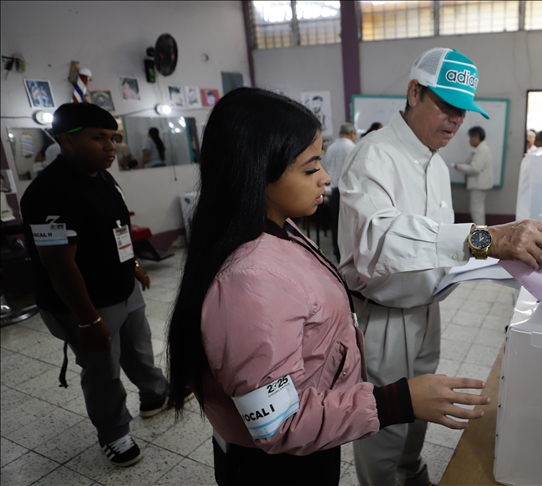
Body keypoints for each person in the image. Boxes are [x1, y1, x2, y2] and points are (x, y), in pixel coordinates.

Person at [164, 88, 490, 485]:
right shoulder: (249, 279)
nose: (327, 176)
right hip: (278, 466)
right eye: (309, 167)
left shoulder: (280, 229)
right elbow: (279, 426)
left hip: (312, 439)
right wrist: (397, 402)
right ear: (256, 172)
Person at [338, 47, 542, 486]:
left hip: (428, 311)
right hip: (384, 319)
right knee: (385, 428)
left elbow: (437, 248)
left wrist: (506, 266)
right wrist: (486, 238)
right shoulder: (374, 158)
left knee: (421, 414)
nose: (456, 120)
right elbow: (378, 244)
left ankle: (412, 472)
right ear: (413, 92)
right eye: (446, 105)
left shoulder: (437, 165)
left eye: (462, 110)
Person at [20, 103, 174, 468]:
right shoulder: (49, 193)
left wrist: (134, 265)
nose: (111, 147)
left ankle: (155, 395)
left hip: (122, 286)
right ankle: (114, 432)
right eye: (98, 138)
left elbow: (116, 229)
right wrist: (88, 320)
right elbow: (59, 265)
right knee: (102, 367)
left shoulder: (103, 177)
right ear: (66, 142)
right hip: (86, 301)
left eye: (114, 138)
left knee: (138, 348)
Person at [321, 123, 357, 262]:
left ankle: (338, 254)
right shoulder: (352, 148)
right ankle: (349, 258)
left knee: (337, 226)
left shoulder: (331, 148)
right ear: (352, 133)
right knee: (349, 228)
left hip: (335, 192)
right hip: (348, 192)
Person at [452, 126, 494, 225]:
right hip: (479, 184)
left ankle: (481, 235)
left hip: (479, 185)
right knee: (477, 211)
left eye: (470, 138)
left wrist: (459, 166)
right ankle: (482, 233)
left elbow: (475, 168)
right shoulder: (480, 149)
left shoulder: (483, 150)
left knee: (476, 212)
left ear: (477, 137)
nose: (469, 141)